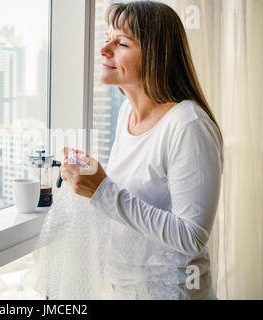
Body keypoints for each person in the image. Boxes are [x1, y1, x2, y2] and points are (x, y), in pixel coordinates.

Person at [60, 1, 223, 300]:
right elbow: (140, 197)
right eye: (106, 38)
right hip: (126, 287)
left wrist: (102, 191)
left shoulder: (188, 125)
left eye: (121, 43)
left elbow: (192, 236)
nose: (104, 50)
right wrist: (96, 180)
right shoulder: (127, 114)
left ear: (156, 56)